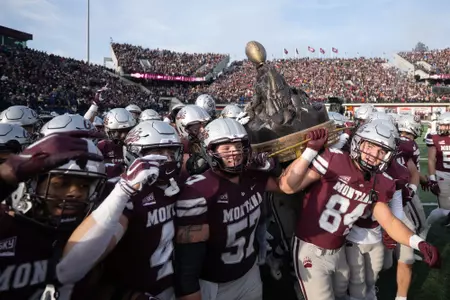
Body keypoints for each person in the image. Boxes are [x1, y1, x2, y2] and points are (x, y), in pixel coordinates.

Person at [276, 122, 441, 300]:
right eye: (369, 146)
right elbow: (287, 187)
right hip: (310, 247)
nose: (373, 155)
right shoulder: (334, 159)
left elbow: (389, 222)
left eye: (381, 151)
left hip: (338, 251)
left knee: (341, 292)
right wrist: (309, 152)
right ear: (358, 143)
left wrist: (419, 243)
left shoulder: (381, 182)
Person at [59, 121, 183, 300]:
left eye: (171, 152)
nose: (166, 160)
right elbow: (73, 265)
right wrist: (124, 189)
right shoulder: (122, 192)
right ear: (133, 154)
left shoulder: (178, 185)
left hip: (171, 286)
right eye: (157, 153)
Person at [174, 118, 279, 300]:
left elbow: (285, 186)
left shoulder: (252, 176)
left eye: (238, 146)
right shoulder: (198, 190)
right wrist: (190, 291)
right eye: (226, 148)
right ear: (210, 151)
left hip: (249, 272)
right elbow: (188, 260)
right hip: (215, 285)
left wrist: (272, 167)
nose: (234, 152)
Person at [0, 131, 105, 299]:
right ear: (32, 184)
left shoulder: (89, 232)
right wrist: (3, 178)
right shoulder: (6, 226)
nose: (75, 193)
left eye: (85, 186)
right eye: (60, 184)